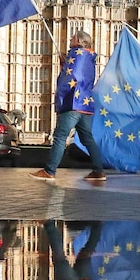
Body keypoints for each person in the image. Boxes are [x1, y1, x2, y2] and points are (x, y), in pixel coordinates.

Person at [30, 30, 106, 182]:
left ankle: (49, 171)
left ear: (78, 40)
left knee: (59, 137)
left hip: (73, 103)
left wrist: (61, 97)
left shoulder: (75, 52)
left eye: (72, 38)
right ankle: (99, 171)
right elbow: (79, 74)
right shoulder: (90, 57)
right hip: (86, 105)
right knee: (88, 139)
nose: (70, 39)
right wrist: (65, 63)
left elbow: (69, 79)